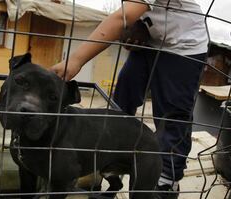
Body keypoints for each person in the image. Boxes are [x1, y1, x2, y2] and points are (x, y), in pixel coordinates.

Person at [51, 0, 208, 198]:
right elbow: (129, 15)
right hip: (152, 41)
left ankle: (167, 179)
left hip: (184, 46)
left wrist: (75, 60)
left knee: (171, 116)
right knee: (121, 100)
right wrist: (136, 25)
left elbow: (120, 17)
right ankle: (109, 162)